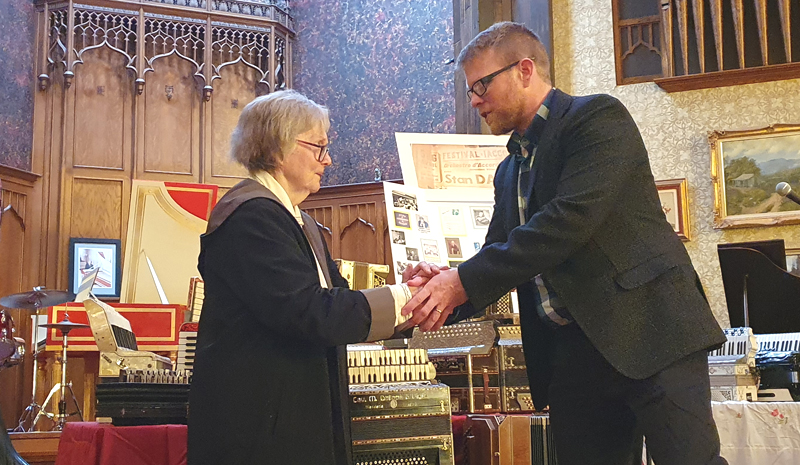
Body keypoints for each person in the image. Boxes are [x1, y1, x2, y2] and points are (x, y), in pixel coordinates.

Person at [403, 22, 728, 465]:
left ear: (524, 70)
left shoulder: (595, 119)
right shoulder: (508, 168)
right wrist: (441, 290)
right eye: (468, 92)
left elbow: (567, 223)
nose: (474, 100)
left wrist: (461, 281)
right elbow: (501, 254)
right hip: (574, 354)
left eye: (481, 85)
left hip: (651, 329)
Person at [187, 90, 431, 465]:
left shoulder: (298, 219)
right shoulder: (252, 218)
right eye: (318, 147)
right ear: (278, 148)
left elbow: (340, 299)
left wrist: (409, 290)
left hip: (291, 415)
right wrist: (405, 298)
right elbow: (309, 311)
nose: (328, 159)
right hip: (259, 430)